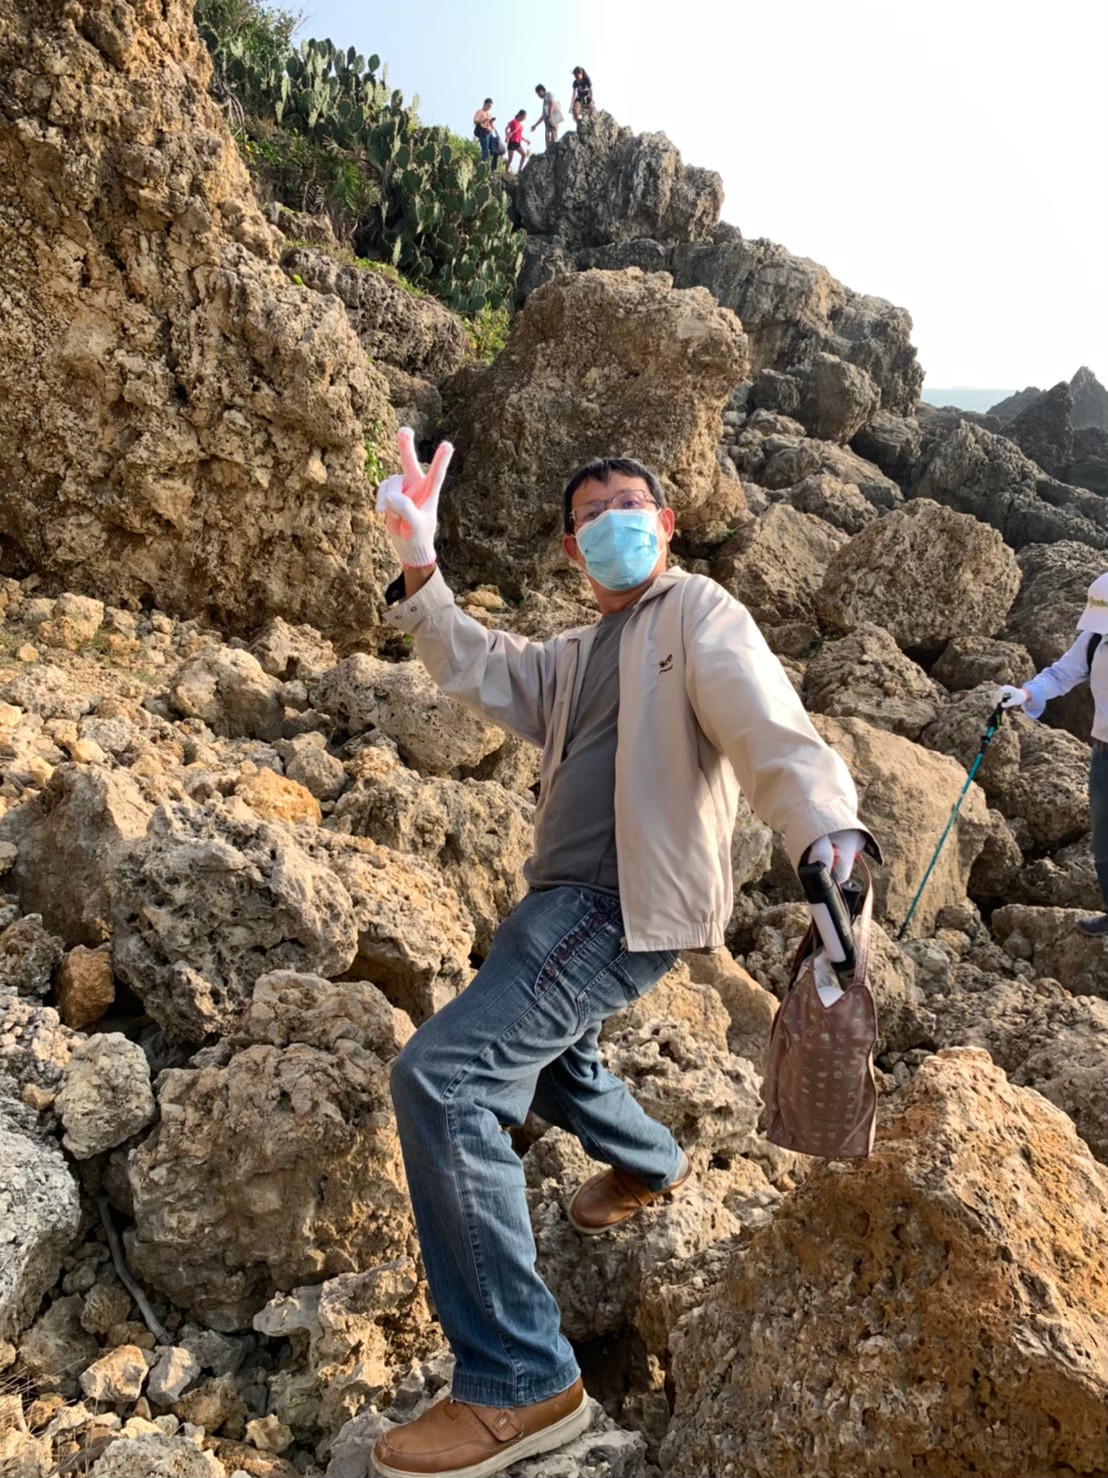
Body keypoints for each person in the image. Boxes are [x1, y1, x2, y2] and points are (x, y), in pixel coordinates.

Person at [370, 429, 879, 1478]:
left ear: (667, 523)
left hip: (612, 907)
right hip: (559, 906)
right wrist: (421, 564)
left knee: (445, 1078)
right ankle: (651, 1161)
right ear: (571, 550)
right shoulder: (574, 655)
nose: (612, 523)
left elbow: (763, 718)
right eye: (591, 516)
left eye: (629, 506)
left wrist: (822, 823)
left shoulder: (695, 614)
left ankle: (519, 1378)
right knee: (558, 1061)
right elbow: (477, 663)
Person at [995, 570, 1108, 936]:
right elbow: (1061, 674)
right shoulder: (1095, 638)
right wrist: (1025, 693)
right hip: (1104, 754)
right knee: (1104, 842)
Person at [531, 83, 563, 150]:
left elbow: (551, 103)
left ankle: (554, 150)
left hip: (552, 120)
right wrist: (535, 125)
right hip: (548, 122)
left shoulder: (548, 94)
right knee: (548, 138)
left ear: (541, 90)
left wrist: (549, 116)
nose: (539, 96)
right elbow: (543, 116)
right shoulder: (544, 101)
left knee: (553, 136)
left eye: (538, 93)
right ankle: (549, 151)